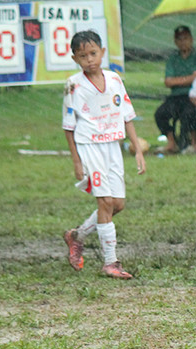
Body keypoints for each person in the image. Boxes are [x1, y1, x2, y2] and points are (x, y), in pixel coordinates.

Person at [61, 30, 145, 280]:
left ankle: (76, 236)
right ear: (75, 58)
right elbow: (68, 126)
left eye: (93, 53)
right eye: (83, 55)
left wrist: (137, 149)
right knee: (105, 202)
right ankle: (111, 263)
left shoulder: (115, 79)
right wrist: (76, 160)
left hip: (113, 147)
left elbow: (127, 116)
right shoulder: (73, 84)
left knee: (117, 204)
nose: (89, 59)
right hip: (89, 147)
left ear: (103, 52)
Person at [155, 26, 196, 154]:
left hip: (192, 96)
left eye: (186, 38)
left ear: (191, 39)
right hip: (176, 96)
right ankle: (172, 142)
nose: (183, 42)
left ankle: (192, 142)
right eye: (180, 39)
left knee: (188, 112)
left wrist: (177, 81)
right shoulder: (173, 59)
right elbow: (168, 81)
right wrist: (189, 79)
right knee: (160, 114)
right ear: (175, 41)